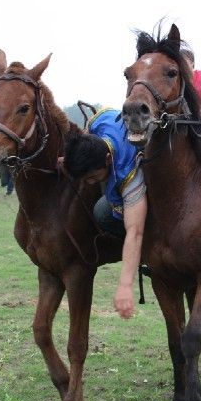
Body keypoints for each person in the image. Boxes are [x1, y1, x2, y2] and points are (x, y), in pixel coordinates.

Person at [63, 108, 147, 319]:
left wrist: (125, 286)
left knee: (103, 213)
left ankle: (148, 255)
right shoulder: (101, 121)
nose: (90, 182)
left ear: (108, 159)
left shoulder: (129, 176)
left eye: (92, 177)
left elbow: (135, 231)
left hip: (151, 175)